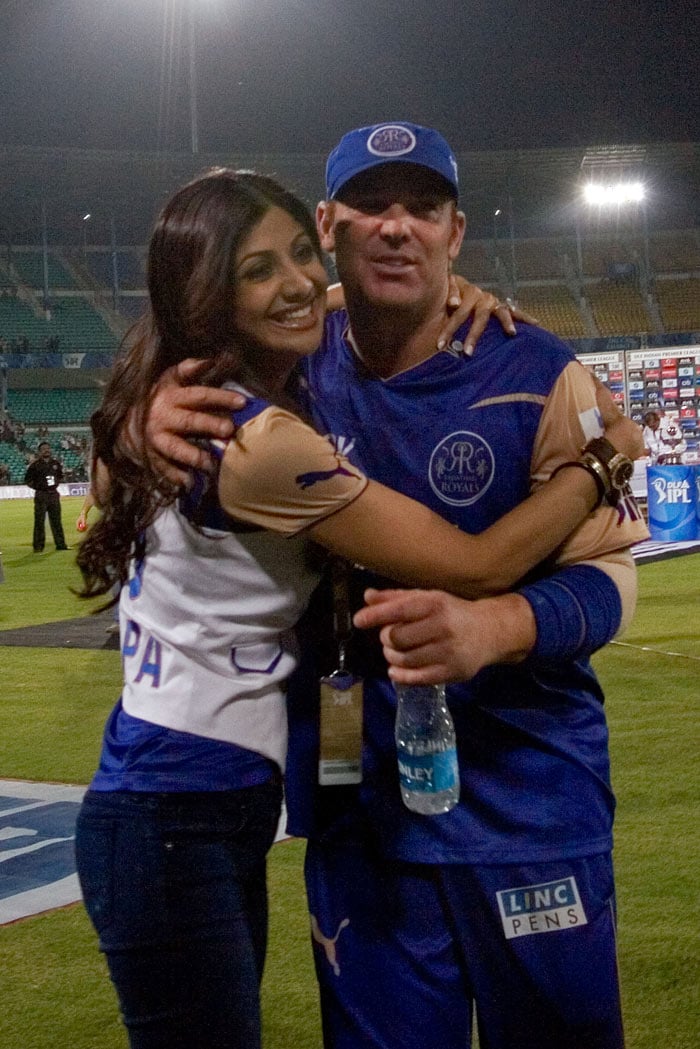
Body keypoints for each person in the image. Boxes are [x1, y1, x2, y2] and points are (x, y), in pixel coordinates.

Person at [75, 167, 642, 1049]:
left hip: (502, 805)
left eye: (422, 210)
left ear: (456, 233)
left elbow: (611, 572)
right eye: (369, 211)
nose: (394, 230)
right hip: (291, 810)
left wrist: (493, 629)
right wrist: (605, 458)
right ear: (339, 225)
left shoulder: (530, 366)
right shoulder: (266, 407)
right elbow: (474, 562)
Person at [23, 441, 68, 552]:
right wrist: (38, 487)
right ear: (40, 451)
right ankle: (38, 546)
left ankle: (61, 545)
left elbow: (60, 476)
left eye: (48, 448)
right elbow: (28, 480)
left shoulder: (56, 464)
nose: (46, 450)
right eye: (44, 449)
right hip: (41, 495)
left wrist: (55, 484)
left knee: (57, 521)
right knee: (39, 521)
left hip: (53, 494)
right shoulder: (35, 465)